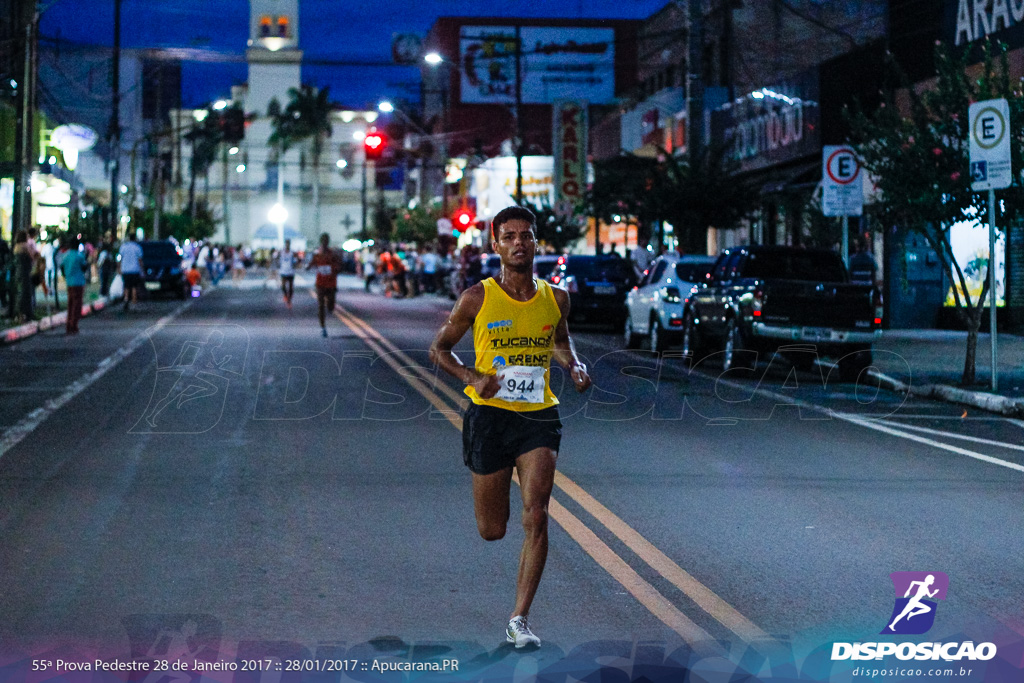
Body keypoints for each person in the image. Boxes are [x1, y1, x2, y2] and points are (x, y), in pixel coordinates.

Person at [429, 205, 592, 649]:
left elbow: (560, 341)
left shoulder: (555, 298)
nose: (519, 242)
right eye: (509, 236)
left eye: (527, 235)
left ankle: (519, 618)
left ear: (536, 241)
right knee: (492, 529)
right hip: (490, 416)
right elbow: (440, 349)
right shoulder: (476, 298)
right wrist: (472, 377)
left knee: (536, 514)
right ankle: (516, 608)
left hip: (538, 414)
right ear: (495, 245)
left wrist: (573, 365)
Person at [308, 232, 342, 337]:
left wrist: (336, 269)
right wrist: (308, 266)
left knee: (331, 306)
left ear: (328, 241)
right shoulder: (317, 254)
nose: (324, 242)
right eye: (323, 241)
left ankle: (330, 307)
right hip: (320, 283)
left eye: (326, 240)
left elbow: (339, 265)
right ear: (321, 242)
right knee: (320, 305)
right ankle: (323, 327)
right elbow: (311, 264)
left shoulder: (333, 254)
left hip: (331, 283)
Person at [61, 236, 88, 335]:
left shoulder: (65, 255)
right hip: (78, 282)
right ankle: (74, 325)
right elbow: (84, 267)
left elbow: (62, 268)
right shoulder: (79, 256)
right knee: (77, 305)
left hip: (69, 282)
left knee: (70, 304)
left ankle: (69, 325)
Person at [118, 232, 144, 310]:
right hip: (135, 270)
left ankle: (126, 299)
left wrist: (119, 268)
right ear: (135, 238)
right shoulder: (137, 248)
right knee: (134, 287)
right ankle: (134, 303)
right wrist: (142, 269)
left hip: (125, 270)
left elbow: (119, 258)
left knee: (126, 286)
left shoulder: (123, 247)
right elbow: (140, 260)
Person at [12, 230, 34, 322]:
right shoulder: (25, 246)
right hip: (25, 272)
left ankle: (18, 314)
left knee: (19, 293)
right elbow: (32, 256)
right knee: (25, 293)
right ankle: (25, 314)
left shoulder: (16, 247)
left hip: (18, 272)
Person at [278, 239, 297, 307]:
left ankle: (289, 301)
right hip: (283, 271)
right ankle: (286, 295)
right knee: (283, 286)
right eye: (286, 243)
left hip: (290, 271)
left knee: (291, 287)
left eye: (288, 243)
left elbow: (295, 260)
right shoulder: (281, 252)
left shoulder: (292, 252)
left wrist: (295, 264)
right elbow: (278, 258)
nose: (287, 245)